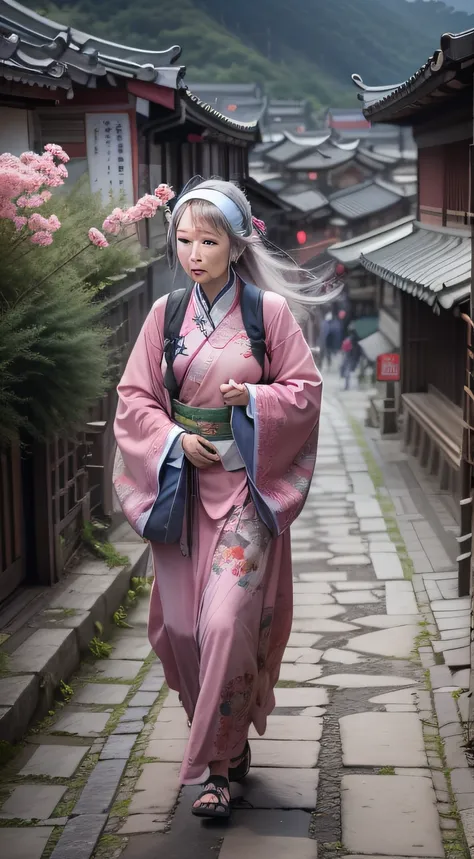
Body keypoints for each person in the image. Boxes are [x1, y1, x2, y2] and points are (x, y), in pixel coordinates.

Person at [113, 177, 322, 820]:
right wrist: (176, 438)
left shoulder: (270, 315)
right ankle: (223, 741)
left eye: (208, 240)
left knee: (227, 622)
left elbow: (305, 391)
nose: (193, 252)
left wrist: (254, 400)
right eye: (183, 239)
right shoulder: (165, 316)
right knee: (182, 630)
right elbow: (134, 399)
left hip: (244, 495)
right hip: (181, 489)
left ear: (235, 245)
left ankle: (218, 770)